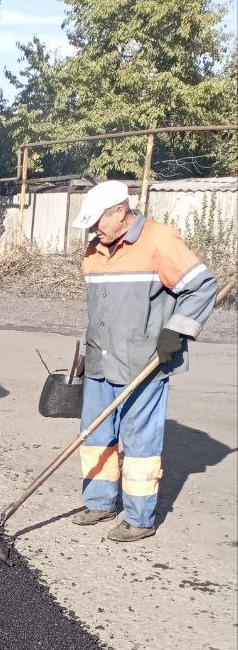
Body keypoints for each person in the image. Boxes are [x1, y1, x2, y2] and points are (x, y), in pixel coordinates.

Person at [71, 178, 218, 542]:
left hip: (143, 361)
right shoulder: (95, 249)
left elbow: (202, 286)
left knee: (138, 443)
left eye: (98, 221)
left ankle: (139, 519)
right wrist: (87, 352)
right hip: (101, 361)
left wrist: (176, 331)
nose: (93, 229)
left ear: (120, 212)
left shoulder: (159, 240)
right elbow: (99, 310)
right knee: (95, 435)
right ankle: (100, 502)